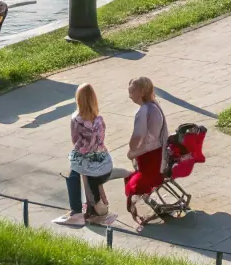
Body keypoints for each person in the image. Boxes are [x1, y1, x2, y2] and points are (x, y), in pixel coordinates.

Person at [56, 82, 115, 226]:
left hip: (84, 156)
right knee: (90, 179)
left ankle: (75, 210)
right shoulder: (99, 119)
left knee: (72, 174)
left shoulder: (76, 118)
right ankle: (92, 209)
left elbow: (74, 140)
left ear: (78, 100)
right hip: (100, 157)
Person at [124, 76, 168, 228]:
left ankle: (135, 208)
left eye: (132, 90)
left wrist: (131, 150)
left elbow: (138, 136)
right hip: (156, 155)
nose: (129, 94)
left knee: (134, 182)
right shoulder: (155, 106)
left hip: (150, 159)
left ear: (141, 91)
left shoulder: (143, 111)